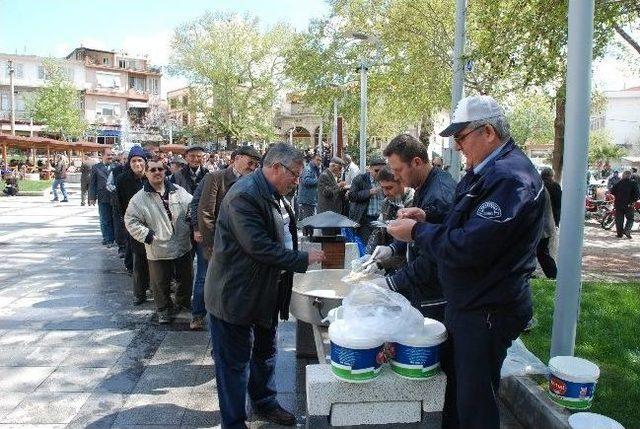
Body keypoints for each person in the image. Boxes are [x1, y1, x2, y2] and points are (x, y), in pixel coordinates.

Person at [387, 95, 544, 429]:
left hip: (487, 309)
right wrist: (428, 216)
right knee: (461, 394)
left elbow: (471, 246)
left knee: (475, 405)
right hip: (471, 304)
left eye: (460, 138)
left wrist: (417, 232)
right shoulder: (486, 171)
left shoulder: (510, 178)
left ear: (487, 132)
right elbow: (466, 220)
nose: (457, 146)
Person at [204, 143, 325, 429]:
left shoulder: (275, 194)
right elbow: (258, 246)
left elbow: (281, 233)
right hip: (234, 295)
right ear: (275, 168)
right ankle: (233, 422)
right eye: (294, 175)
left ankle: (265, 402)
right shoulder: (244, 196)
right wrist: (301, 259)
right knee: (233, 364)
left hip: (264, 292)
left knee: (265, 351)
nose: (297, 181)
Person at [370, 134, 455, 321]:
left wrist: (391, 282)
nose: (396, 176)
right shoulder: (424, 185)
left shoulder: (437, 196)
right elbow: (416, 234)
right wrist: (392, 248)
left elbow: (433, 257)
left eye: (398, 170)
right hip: (423, 287)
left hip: (435, 295)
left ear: (416, 162)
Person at [188, 145, 261, 330]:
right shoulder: (215, 178)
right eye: (249, 163)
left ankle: (226, 318)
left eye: (255, 164)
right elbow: (205, 211)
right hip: (215, 241)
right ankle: (198, 314)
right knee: (205, 278)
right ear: (236, 159)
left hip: (238, 243)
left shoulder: (253, 182)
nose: (252, 167)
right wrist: (211, 244)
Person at [125, 159, 194, 324]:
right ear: (147, 173)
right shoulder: (139, 198)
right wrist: (147, 235)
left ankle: (183, 302)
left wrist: (191, 218)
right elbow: (131, 221)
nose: (157, 172)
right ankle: (163, 310)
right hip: (158, 247)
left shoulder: (178, 191)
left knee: (186, 278)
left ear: (165, 171)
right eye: (153, 170)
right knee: (160, 283)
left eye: (160, 169)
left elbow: (192, 205)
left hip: (182, 244)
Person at [116, 146, 150, 305]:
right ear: (129, 163)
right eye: (134, 161)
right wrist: (125, 223)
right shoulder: (123, 179)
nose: (137, 163)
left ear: (145, 162)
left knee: (155, 258)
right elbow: (119, 203)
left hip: (152, 223)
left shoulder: (151, 176)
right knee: (139, 259)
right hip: (134, 224)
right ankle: (140, 292)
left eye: (140, 160)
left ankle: (154, 287)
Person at [365, 166, 414, 272]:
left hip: (408, 266)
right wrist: (369, 255)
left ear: (402, 182)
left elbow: (408, 243)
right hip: (392, 262)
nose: (385, 193)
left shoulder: (413, 202)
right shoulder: (386, 202)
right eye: (382, 188)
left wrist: (381, 263)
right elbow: (379, 230)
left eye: (389, 188)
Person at [348, 157, 387, 242]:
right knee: (366, 247)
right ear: (370, 169)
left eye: (382, 171)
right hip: (365, 220)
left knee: (380, 246)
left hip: (382, 219)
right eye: (376, 171)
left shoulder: (387, 180)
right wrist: (369, 192)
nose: (379, 174)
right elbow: (351, 196)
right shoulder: (360, 179)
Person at [89, 148, 116, 246]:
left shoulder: (116, 167)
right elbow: (92, 183)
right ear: (102, 156)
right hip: (103, 197)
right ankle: (107, 239)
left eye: (112, 155)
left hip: (114, 197)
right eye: (108, 155)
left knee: (114, 219)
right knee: (105, 219)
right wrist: (92, 197)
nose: (110, 157)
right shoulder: (96, 167)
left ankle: (115, 238)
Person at [611, 170, 639, 239]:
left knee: (619, 219)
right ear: (630, 176)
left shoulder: (619, 183)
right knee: (630, 219)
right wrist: (633, 201)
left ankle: (619, 234)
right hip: (629, 204)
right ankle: (627, 230)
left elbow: (612, 191)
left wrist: (618, 195)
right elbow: (637, 194)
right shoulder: (633, 183)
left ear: (623, 175)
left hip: (619, 204)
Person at [297, 153, 322, 220]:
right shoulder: (308, 169)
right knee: (308, 221)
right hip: (307, 200)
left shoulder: (316, 169)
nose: (319, 162)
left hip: (311, 200)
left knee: (309, 220)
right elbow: (306, 181)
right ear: (312, 160)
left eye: (320, 160)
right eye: (317, 160)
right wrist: (318, 180)